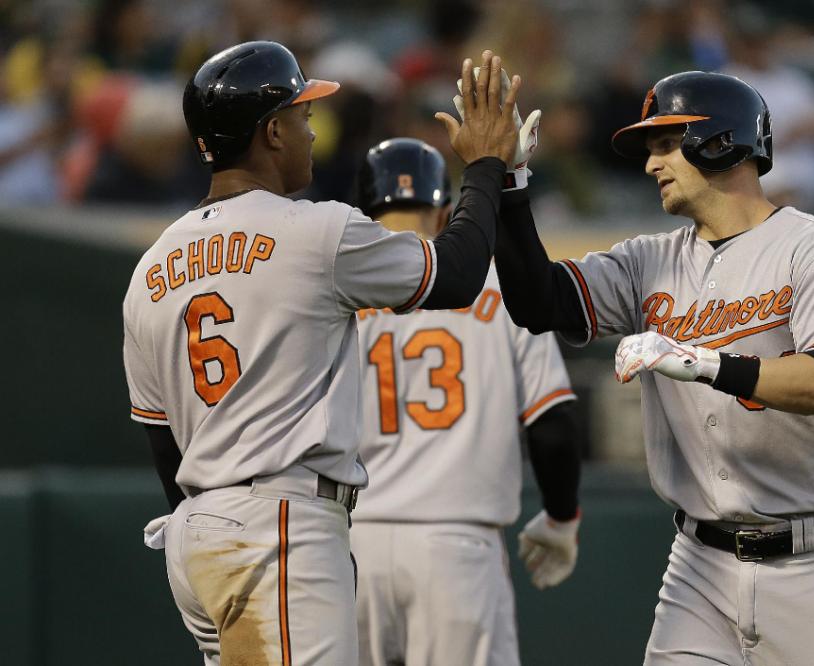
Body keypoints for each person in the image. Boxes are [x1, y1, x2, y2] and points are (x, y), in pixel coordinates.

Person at [123, 42, 519, 665]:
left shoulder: (150, 269)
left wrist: (213, 519)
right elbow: (459, 273)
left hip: (197, 536)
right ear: (272, 131)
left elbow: (161, 440)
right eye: (303, 117)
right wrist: (487, 165)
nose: (313, 131)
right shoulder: (313, 231)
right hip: (278, 524)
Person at [491, 71, 814, 665]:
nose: (652, 165)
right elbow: (536, 300)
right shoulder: (648, 260)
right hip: (699, 565)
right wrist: (509, 186)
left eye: (665, 144)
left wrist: (705, 363)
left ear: (721, 140)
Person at [349, 137, 582, 666]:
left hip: (349, 546)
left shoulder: (342, 291)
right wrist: (561, 517)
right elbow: (553, 423)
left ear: (362, 213)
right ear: (447, 213)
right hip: (457, 548)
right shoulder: (499, 288)